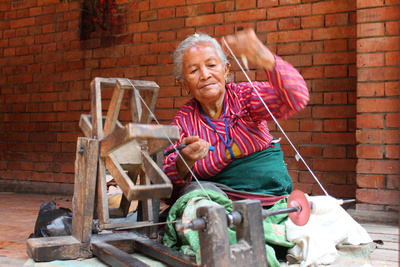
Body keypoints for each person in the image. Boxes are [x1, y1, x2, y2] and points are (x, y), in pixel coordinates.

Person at [163, 28, 309, 207]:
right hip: (219, 209)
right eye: (194, 70)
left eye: (211, 65)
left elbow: (297, 97)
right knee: (194, 198)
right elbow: (167, 191)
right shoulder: (183, 123)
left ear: (225, 70)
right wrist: (184, 161)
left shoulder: (244, 97)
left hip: (271, 200)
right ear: (184, 83)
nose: (205, 75)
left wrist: (264, 56)